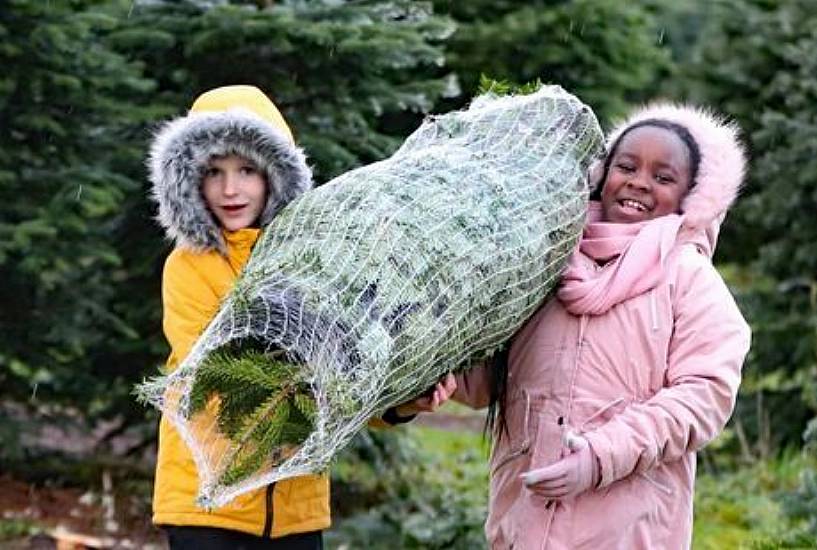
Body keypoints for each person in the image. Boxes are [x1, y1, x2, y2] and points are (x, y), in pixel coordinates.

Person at [148, 84, 453, 549]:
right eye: (214, 172)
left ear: (275, 174)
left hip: (296, 512)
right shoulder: (189, 266)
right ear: (191, 181)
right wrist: (317, 377)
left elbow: (348, 366)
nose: (231, 189)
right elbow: (214, 383)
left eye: (247, 169)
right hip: (206, 507)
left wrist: (400, 404)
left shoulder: (314, 263)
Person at [453, 103, 751, 549]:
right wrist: (435, 379)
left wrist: (597, 458)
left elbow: (703, 397)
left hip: (630, 531)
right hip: (524, 523)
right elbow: (488, 379)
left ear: (690, 196)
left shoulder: (690, 280)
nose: (638, 182)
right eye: (626, 166)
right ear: (601, 175)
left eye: (662, 177)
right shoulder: (546, 263)